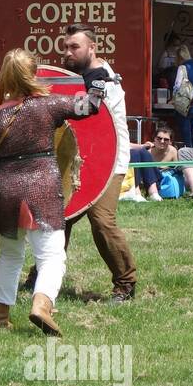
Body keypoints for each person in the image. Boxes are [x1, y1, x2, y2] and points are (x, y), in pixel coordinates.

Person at [0, 48, 105, 336]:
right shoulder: (48, 106)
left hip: (3, 189)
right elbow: (89, 107)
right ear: (32, 74)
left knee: (10, 254)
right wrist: (98, 84)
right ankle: (42, 305)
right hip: (41, 184)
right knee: (51, 256)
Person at [60, 24, 138, 301]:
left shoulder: (103, 80)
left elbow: (93, 116)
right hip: (77, 159)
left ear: (92, 48)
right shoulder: (74, 75)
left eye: (75, 47)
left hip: (108, 161)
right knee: (60, 218)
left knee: (102, 221)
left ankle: (125, 283)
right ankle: (44, 278)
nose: (68, 52)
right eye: (66, 47)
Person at [128, 125, 179, 201]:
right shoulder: (148, 151)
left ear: (170, 142)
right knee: (138, 152)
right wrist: (143, 146)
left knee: (141, 151)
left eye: (166, 140)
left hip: (162, 179)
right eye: (159, 138)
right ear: (154, 139)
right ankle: (145, 192)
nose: (162, 141)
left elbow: (177, 170)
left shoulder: (172, 151)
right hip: (146, 180)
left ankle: (146, 192)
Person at [172, 44, 193, 147]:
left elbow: (177, 86)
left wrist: (173, 99)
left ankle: (187, 159)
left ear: (179, 57)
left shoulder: (182, 67)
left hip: (185, 107)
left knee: (186, 138)